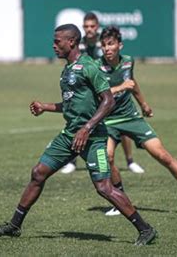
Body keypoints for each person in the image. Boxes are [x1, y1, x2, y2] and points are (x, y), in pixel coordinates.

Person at [0, 24, 157, 246]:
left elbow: (108, 100)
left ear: (72, 42)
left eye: (58, 41)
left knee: (104, 188)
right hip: (69, 136)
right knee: (38, 173)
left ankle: (145, 229)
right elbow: (70, 105)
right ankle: (15, 225)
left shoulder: (88, 66)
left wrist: (87, 128)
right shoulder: (67, 69)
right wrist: (45, 106)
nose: (54, 45)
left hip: (94, 137)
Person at [96, 26, 177, 216]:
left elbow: (133, 83)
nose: (107, 48)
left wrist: (144, 104)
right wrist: (120, 87)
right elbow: (98, 95)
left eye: (110, 44)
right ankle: (120, 202)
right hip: (108, 120)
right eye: (103, 45)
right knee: (109, 157)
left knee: (163, 155)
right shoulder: (96, 67)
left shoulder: (128, 61)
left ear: (120, 45)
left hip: (131, 117)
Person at [61, 12, 145, 174]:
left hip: (107, 85)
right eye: (86, 26)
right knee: (78, 120)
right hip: (88, 87)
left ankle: (130, 161)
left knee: (122, 119)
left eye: (92, 26)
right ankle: (72, 161)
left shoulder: (104, 43)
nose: (89, 29)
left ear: (97, 26)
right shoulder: (81, 44)